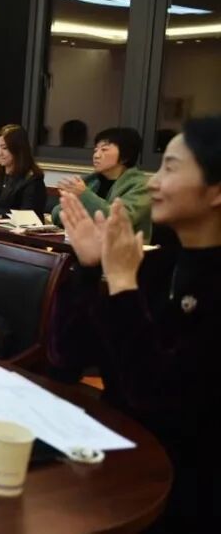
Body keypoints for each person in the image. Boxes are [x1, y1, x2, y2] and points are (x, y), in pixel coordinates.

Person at [50, 115, 221, 531]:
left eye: (170, 169)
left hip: (181, 486)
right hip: (115, 450)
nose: (153, 183)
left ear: (216, 190)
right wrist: (90, 269)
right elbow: (66, 358)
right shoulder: (158, 262)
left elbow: (156, 396)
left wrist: (122, 284)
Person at [52, 127, 152, 240]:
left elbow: (119, 221)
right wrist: (70, 200)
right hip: (85, 243)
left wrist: (84, 195)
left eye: (104, 150)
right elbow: (57, 216)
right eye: (95, 150)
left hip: (124, 247)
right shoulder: (91, 181)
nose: (96, 155)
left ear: (125, 156)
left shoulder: (140, 185)